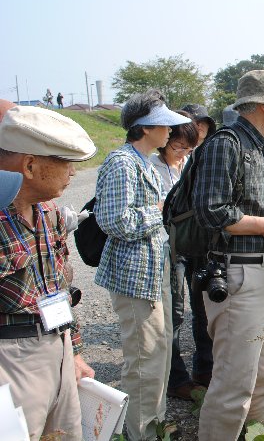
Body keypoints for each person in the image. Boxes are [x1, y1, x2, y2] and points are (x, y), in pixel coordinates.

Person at [192, 70, 264, 438]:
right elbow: (210, 211)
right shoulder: (227, 143)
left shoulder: (261, 147)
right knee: (234, 383)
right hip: (239, 276)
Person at [94, 90, 191, 440]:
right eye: (163, 125)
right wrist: (163, 209)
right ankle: (142, 433)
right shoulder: (122, 162)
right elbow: (114, 221)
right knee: (143, 359)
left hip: (154, 271)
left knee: (160, 351)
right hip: (135, 277)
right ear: (144, 127)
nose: (170, 132)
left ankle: (155, 423)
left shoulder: (143, 161)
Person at [0, 106, 97, 440]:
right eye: (65, 162)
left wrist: (74, 352)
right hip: (10, 359)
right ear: (29, 165)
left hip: (56, 346)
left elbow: (59, 290)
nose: (71, 173)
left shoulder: (50, 213)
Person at [149, 113, 207, 401]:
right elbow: (158, 209)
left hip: (195, 242)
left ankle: (204, 370)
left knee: (203, 307)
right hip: (169, 248)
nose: (183, 153)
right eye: (178, 147)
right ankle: (175, 379)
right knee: (174, 313)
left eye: (189, 148)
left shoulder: (189, 165)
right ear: (164, 142)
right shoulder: (152, 168)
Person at [177, 103, 217, 388]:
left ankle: (205, 368)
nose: (199, 132)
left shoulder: (207, 156)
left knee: (205, 308)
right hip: (183, 245)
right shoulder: (174, 159)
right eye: (194, 126)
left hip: (203, 242)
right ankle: (189, 372)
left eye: (203, 127)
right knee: (186, 309)